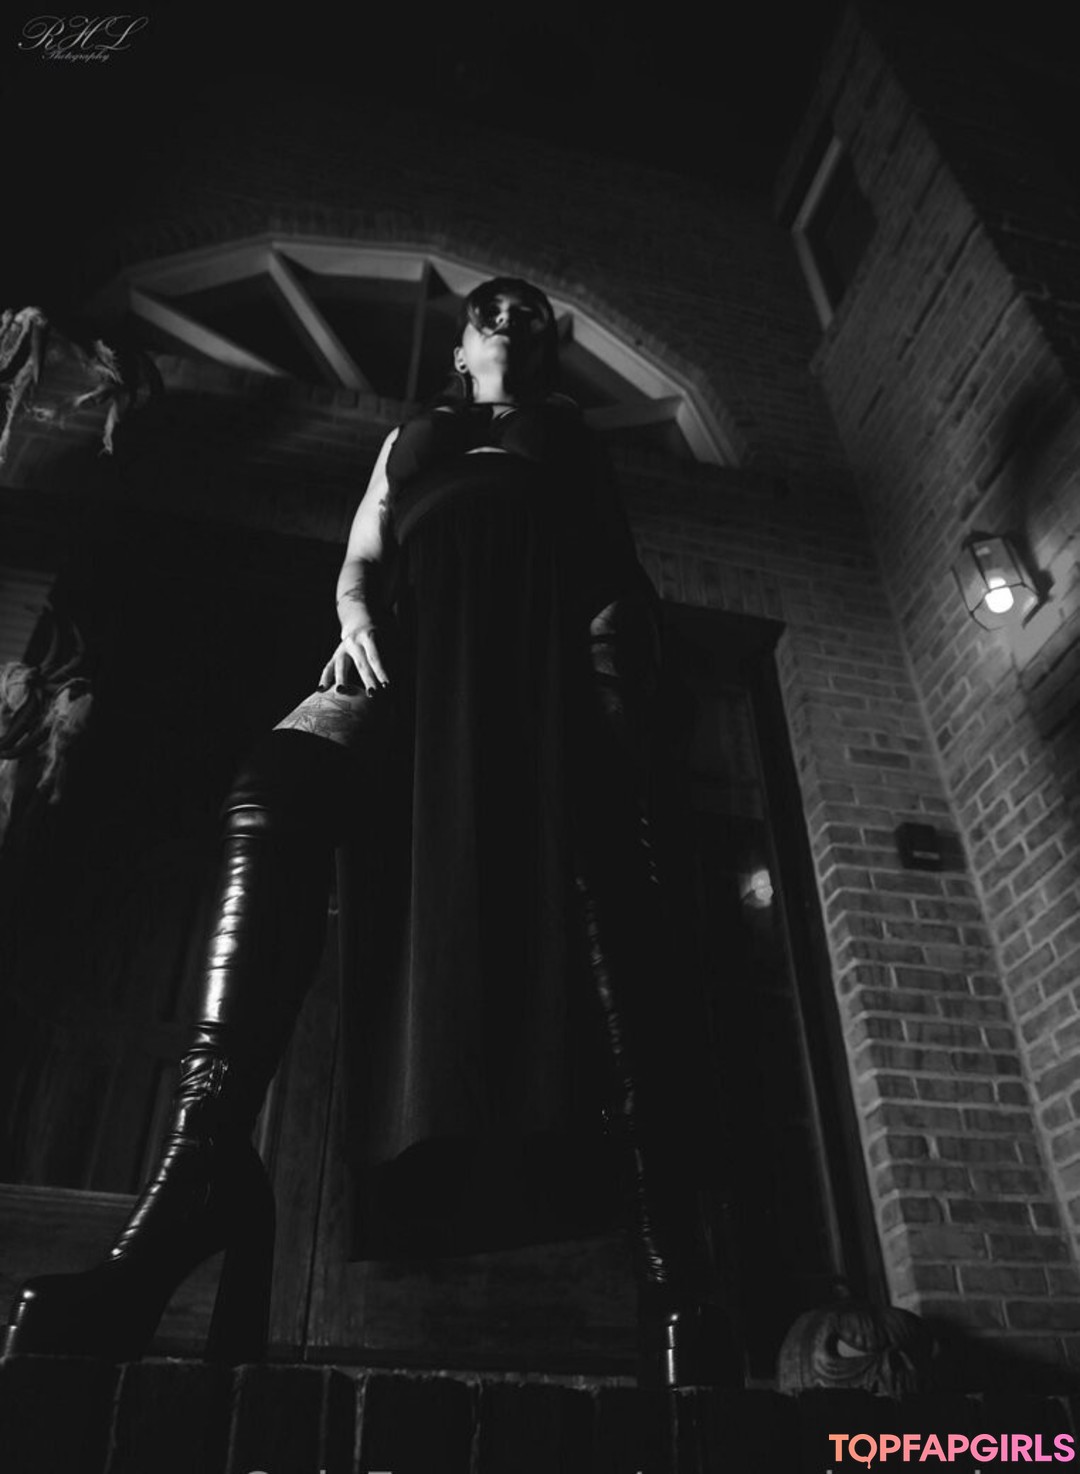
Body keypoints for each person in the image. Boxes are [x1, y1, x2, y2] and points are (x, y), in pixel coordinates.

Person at [3, 278, 737, 1387]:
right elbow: (364, 550)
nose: (508, 315)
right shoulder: (413, 436)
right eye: (490, 308)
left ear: (542, 348)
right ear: (461, 344)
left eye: (528, 311)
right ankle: (201, 1179)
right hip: (406, 649)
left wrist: (610, 694)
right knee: (275, 786)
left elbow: (609, 570)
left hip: (533, 661)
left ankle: (668, 1255)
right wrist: (352, 619)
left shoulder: (569, 439)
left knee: (602, 872)